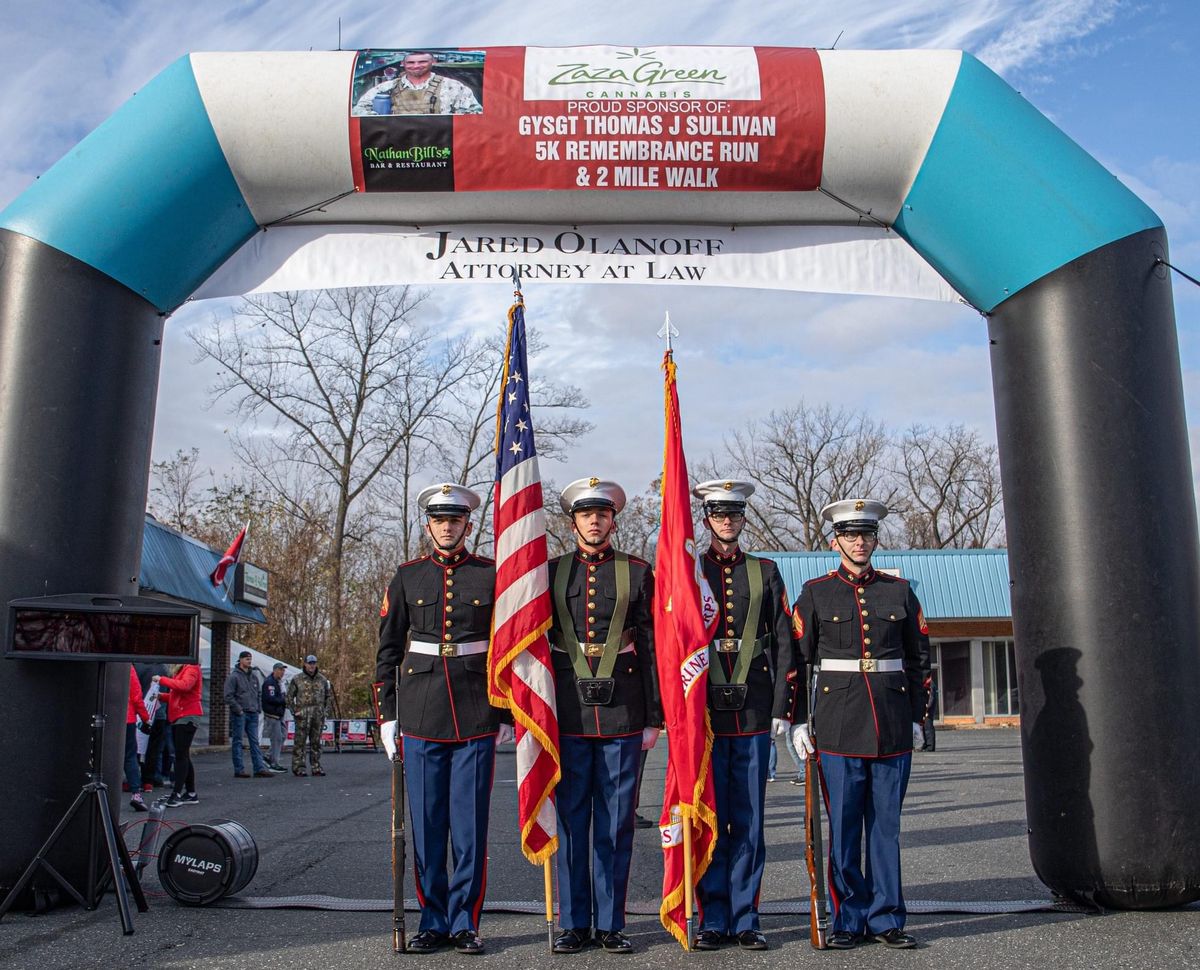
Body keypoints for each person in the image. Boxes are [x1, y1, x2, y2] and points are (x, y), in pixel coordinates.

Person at [789, 499, 931, 949]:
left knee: (886, 828)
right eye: (850, 535)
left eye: (866, 534)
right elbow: (796, 663)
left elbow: (919, 660)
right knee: (845, 828)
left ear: (875, 539)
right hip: (838, 726)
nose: (859, 542)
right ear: (835, 541)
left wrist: (918, 718)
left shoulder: (899, 591)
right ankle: (850, 917)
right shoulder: (815, 593)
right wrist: (797, 722)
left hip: (890, 724)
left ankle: (887, 917)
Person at [376, 483, 510, 955]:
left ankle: (465, 923)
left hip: (476, 710)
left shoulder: (491, 575)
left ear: (467, 525)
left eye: (455, 520)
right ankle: (432, 920)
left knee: (469, 828)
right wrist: (388, 715)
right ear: (428, 526)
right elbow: (388, 650)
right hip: (420, 712)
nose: (447, 527)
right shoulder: (407, 577)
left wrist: (509, 710)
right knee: (428, 826)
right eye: (439, 520)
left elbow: (508, 645)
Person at [547, 478, 659, 955]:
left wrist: (655, 716)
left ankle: (612, 922)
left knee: (615, 823)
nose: (595, 521)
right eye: (586, 514)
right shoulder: (549, 573)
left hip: (623, 712)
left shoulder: (638, 572)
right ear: (572, 523)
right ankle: (574, 922)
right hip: (568, 711)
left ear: (614, 520)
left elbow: (653, 646)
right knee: (572, 822)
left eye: (603, 514)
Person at [690, 480, 798, 951]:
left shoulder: (766, 571)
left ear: (743, 518)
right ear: (707, 519)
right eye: (719, 514)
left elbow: (785, 644)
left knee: (750, 821)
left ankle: (747, 916)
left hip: (754, 708)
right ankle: (714, 917)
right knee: (710, 818)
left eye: (734, 514)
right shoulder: (691, 572)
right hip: (707, 711)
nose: (727, 521)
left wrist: (782, 709)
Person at [353, 51, 482, 116]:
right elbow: (358, 110)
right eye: (411, 62)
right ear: (403, 64)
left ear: (433, 62)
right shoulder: (385, 88)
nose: (416, 66)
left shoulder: (453, 86)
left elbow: (474, 113)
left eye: (422, 62)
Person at [155, 662, 204, 808]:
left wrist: (162, 680)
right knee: (183, 755)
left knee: (180, 755)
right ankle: (190, 792)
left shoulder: (191, 668)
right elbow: (177, 694)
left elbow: (185, 686)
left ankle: (176, 793)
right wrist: (161, 696)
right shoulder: (185, 669)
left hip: (187, 716)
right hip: (181, 715)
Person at [223, 650, 272, 779]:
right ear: (240, 660)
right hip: (240, 713)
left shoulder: (254, 677)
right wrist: (238, 709)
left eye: (250, 659)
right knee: (238, 741)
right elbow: (228, 696)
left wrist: (258, 708)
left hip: (253, 712)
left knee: (254, 741)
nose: (249, 661)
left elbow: (258, 693)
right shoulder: (234, 677)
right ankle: (239, 769)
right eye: (246, 659)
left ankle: (259, 767)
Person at [287, 654, 333, 778]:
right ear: (305, 664)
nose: (312, 666)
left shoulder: (322, 679)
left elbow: (328, 697)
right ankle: (299, 767)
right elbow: (289, 696)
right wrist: (294, 711)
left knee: (316, 742)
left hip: (317, 716)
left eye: (314, 663)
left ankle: (316, 766)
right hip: (302, 716)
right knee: (300, 743)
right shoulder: (297, 679)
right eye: (309, 663)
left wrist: (325, 711)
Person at [124, 665, 151, 812]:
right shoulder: (128, 668)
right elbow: (136, 696)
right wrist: (145, 718)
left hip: (107, 718)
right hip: (127, 719)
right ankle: (136, 794)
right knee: (130, 757)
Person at [262, 662, 289, 771]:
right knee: (276, 739)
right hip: (272, 714)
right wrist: (284, 701)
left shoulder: (279, 683)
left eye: (283, 670)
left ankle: (268, 755)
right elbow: (270, 698)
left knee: (283, 735)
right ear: (275, 670)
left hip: (279, 714)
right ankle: (274, 762)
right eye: (280, 670)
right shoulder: (270, 683)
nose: (282, 672)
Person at [921, 674, 939, 752]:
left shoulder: (929, 684)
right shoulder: (926, 683)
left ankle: (930, 746)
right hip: (925, 707)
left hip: (928, 708)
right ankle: (926, 744)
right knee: (924, 726)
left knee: (928, 726)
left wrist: (927, 707)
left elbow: (930, 697)